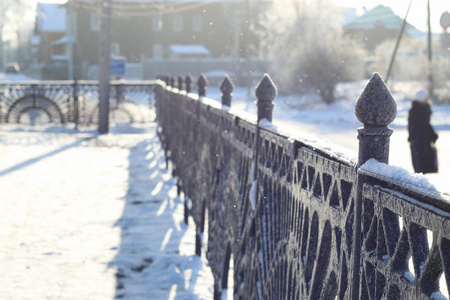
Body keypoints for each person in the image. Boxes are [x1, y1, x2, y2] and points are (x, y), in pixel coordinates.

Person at [407, 89, 438, 174]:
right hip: (418, 142)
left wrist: (432, 135)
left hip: (425, 141)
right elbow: (412, 127)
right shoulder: (414, 111)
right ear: (421, 99)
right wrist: (416, 139)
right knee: (420, 168)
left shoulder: (425, 109)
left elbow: (427, 125)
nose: (427, 99)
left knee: (427, 167)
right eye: (426, 98)